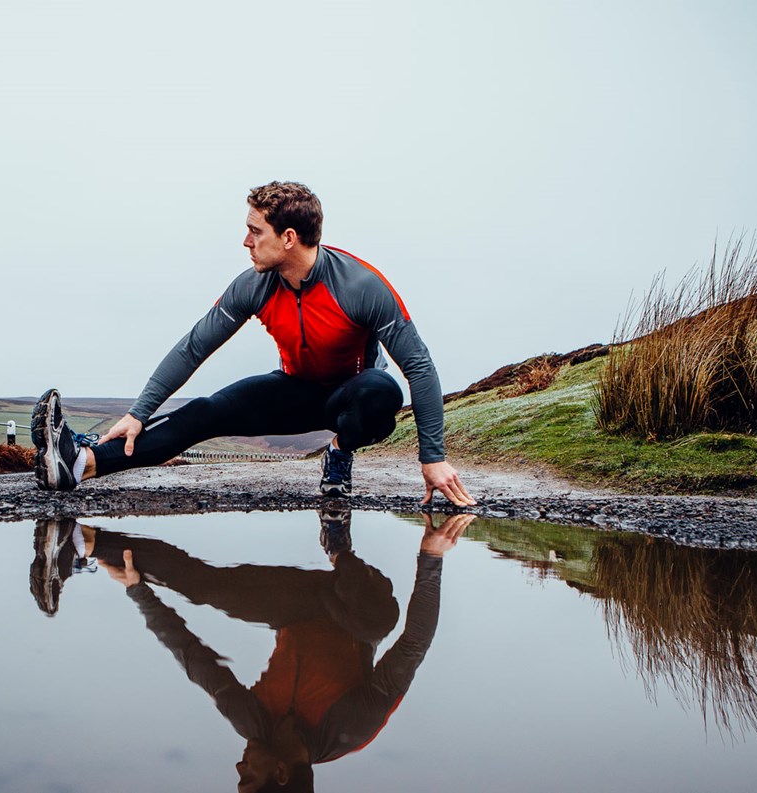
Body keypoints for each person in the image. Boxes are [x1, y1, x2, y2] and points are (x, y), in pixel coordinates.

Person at [32, 181, 475, 505]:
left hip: (350, 397)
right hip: (293, 389)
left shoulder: (361, 287)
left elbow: (419, 366)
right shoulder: (256, 284)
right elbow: (195, 347)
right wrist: (138, 412)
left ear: (288, 237)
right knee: (203, 412)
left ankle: (339, 452)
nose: (246, 241)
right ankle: (77, 464)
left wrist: (432, 458)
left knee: (383, 389)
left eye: (255, 231)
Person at [27, 509, 474, 792]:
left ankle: (79, 544)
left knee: (203, 587)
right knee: (374, 621)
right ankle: (338, 547)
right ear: (280, 774)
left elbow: (194, 658)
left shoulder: (252, 725)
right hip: (363, 607)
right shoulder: (352, 728)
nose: (239, 767)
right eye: (246, 778)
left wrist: (138, 590)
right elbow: (413, 643)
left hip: (293, 611)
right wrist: (431, 559)